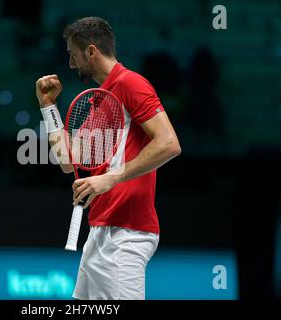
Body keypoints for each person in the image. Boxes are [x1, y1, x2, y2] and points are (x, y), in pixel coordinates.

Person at [35, 17, 181, 300]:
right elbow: (67, 160)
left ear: (91, 51)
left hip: (126, 236)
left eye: (72, 55)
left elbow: (169, 143)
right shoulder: (97, 100)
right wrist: (47, 105)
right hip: (99, 233)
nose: (70, 64)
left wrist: (111, 178)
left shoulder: (131, 84)